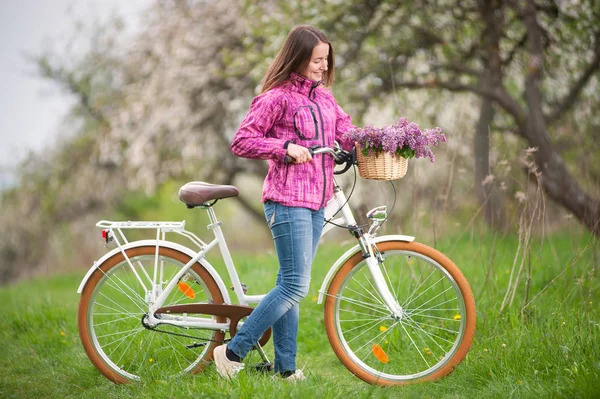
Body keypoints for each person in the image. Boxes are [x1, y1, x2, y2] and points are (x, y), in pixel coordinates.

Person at [213, 24, 355, 382]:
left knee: (292, 283)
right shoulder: (277, 97)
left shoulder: (325, 98)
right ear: (298, 58)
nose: (323, 67)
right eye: (316, 60)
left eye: (326, 60)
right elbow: (242, 140)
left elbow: (345, 130)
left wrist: (368, 143)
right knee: (294, 285)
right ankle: (232, 352)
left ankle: (286, 368)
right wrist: (284, 148)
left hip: (317, 202)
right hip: (287, 199)